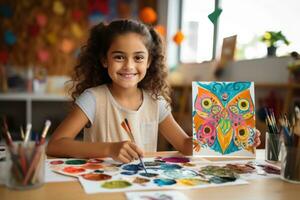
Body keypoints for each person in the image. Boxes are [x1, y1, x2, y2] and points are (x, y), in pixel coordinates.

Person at [46, 19, 261, 163]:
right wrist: (110, 149)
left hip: (141, 188)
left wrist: (237, 137)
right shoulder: (93, 99)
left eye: (138, 57)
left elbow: (185, 145)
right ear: (104, 59)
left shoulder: (155, 103)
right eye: (119, 57)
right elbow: (55, 146)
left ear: (149, 62)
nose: (129, 66)